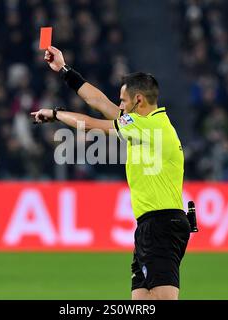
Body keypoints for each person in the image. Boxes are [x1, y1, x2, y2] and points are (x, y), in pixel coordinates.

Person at [31, 46, 191, 300]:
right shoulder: (142, 123)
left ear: (138, 100)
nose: (119, 105)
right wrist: (63, 69)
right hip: (150, 226)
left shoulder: (148, 126)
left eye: (123, 100)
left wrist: (56, 114)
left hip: (161, 224)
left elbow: (93, 124)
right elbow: (99, 102)